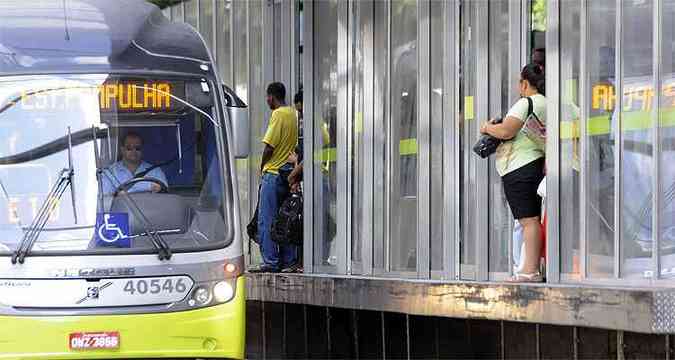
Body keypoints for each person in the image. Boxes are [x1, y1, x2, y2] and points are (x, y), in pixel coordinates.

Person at [480, 63, 546, 282]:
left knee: (528, 221)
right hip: (535, 163)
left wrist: (487, 128)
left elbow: (507, 130)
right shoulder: (547, 104)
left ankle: (529, 270)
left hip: (519, 166)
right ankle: (530, 268)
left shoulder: (525, 103)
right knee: (532, 219)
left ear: (524, 83)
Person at [250, 82, 299, 273]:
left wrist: (262, 166)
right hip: (288, 175)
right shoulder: (294, 114)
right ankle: (289, 261)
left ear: (271, 97)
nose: (267, 101)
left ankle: (270, 262)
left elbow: (269, 146)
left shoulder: (278, 114)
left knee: (266, 219)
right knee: (286, 218)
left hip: (273, 174)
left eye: (267, 97)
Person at [101, 132, 168, 195]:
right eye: (129, 148)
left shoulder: (155, 171)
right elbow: (106, 199)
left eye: (137, 148)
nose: (134, 151)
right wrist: (148, 187)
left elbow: (164, 197)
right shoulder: (109, 173)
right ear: (122, 150)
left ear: (142, 150)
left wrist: (124, 193)